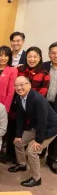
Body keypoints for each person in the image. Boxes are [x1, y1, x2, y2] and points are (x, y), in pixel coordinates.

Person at [8, 76, 57, 187]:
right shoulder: (18, 98)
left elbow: (42, 121)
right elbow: (20, 118)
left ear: (29, 85)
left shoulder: (38, 99)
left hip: (50, 127)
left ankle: (36, 178)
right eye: (16, 85)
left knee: (32, 150)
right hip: (36, 125)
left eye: (22, 84)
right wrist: (18, 135)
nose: (19, 87)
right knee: (18, 142)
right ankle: (22, 164)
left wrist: (38, 141)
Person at [43, 42, 57, 173]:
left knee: (55, 130)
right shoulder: (44, 66)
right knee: (41, 125)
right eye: (53, 52)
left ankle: (52, 158)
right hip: (44, 103)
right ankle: (40, 151)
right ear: (49, 54)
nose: (56, 55)